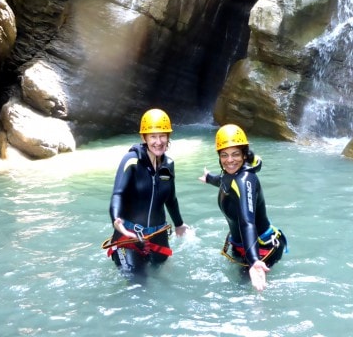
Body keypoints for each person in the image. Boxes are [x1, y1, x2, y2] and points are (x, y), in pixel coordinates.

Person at [199, 124, 287, 291]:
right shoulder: (230, 173)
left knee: (245, 293)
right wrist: (209, 178)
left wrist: (254, 261)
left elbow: (248, 222)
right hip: (241, 244)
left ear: (244, 155)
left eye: (235, 154)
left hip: (260, 248)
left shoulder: (246, 180)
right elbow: (223, 181)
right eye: (224, 155)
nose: (230, 160)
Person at [104, 108, 189, 274]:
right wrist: (116, 220)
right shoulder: (131, 160)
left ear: (168, 137)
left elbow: (170, 199)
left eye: (162, 135)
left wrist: (179, 224)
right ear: (144, 138)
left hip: (158, 234)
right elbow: (118, 194)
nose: (158, 141)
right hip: (129, 234)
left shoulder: (168, 165)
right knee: (138, 285)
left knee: (164, 279)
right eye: (153, 136)